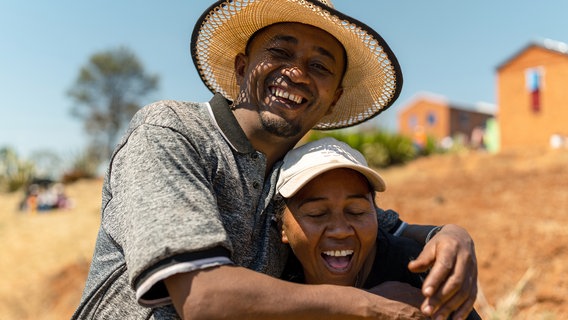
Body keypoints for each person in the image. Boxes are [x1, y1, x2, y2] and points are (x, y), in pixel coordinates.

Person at [73, 0, 477, 319]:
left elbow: (389, 226)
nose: (297, 73)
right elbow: (203, 299)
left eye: (319, 66)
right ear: (242, 66)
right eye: (280, 52)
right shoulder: (173, 132)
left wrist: (452, 235)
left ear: (333, 97)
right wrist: (371, 307)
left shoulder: (297, 171)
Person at [275, 137, 482, 319]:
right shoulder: (273, 275)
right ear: (282, 226)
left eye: (356, 211)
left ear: (376, 214)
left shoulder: (416, 271)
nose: (340, 230)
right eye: (317, 214)